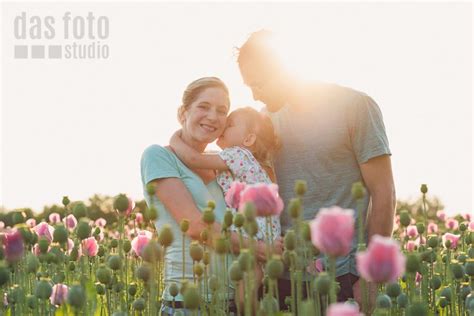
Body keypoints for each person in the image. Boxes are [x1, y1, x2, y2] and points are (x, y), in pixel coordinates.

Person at [236, 30, 396, 309]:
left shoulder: (356, 106)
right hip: (281, 274)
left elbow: (384, 193)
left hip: (343, 274)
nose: (254, 94)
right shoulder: (263, 121)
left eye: (258, 84)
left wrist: (371, 276)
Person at [140, 77, 282, 315]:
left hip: (231, 306)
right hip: (186, 304)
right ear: (183, 113)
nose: (213, 117)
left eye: (222, 111)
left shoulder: (225, 166)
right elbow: (196, 226)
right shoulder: (158, 156)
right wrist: (261, 248)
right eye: (203, 107)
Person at [169, 106, 282, 309]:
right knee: (248, 291)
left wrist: (175, 139)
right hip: (262, 230)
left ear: (248, 139)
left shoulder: (238, 154)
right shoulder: (244, 160)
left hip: (255, 232)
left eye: (229, 125)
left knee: (244, 296)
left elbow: (194, 160)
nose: (223, 127)